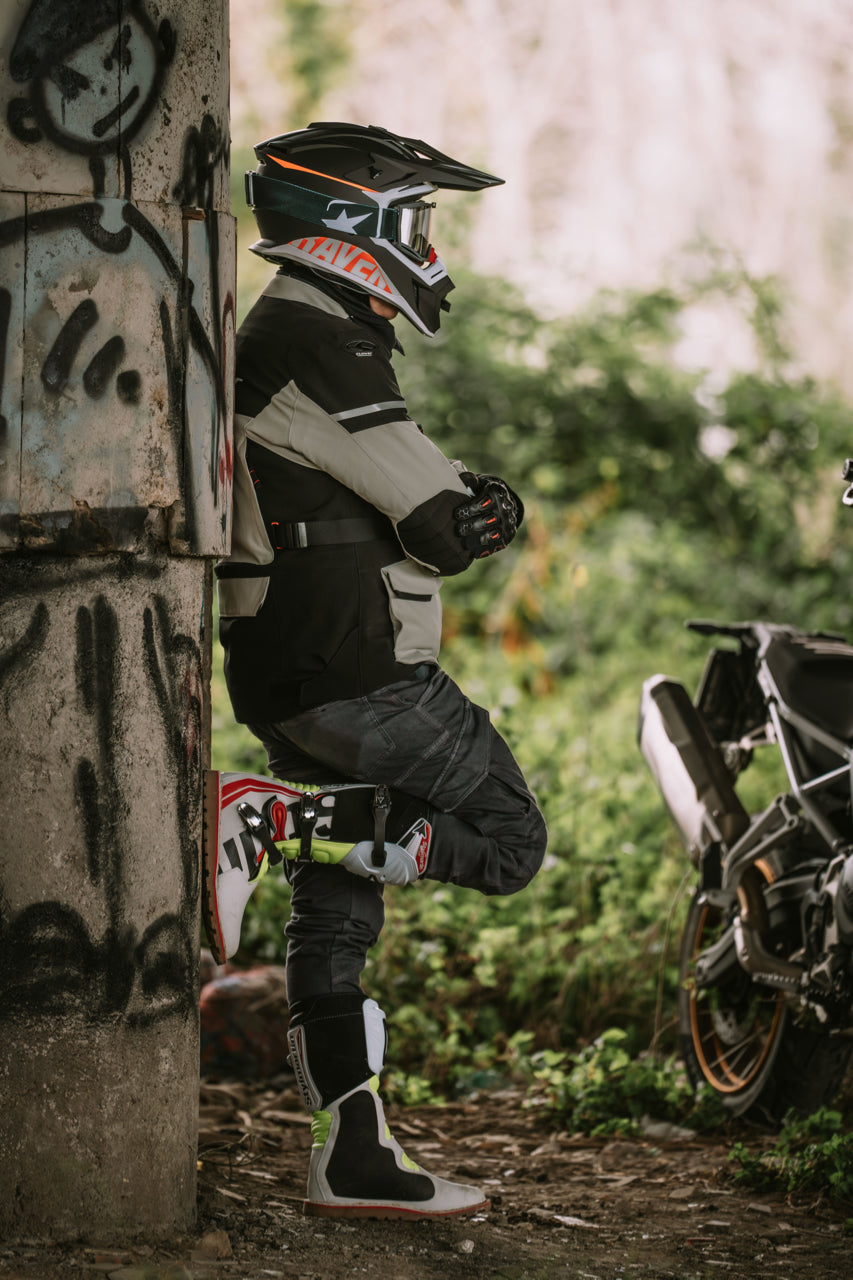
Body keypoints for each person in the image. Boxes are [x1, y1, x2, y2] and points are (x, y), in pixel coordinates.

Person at [203, 122, 548, 1220]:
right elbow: (445, 523)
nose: (431, 242)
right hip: (359, 670)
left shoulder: (294, 334)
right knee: (506, 839)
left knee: (339, 913)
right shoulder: (319, 339)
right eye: (420, 218)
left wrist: (466, 505)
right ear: (360, 222)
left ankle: (352, 1151)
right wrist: (490, 509)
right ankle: (269, 819)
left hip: (292, 666)